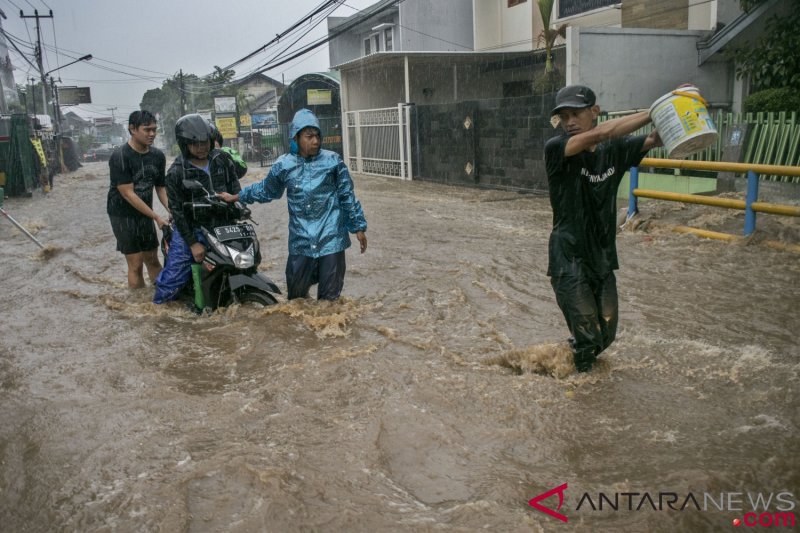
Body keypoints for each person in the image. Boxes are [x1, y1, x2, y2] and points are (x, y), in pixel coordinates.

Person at [544, 84, 663, 372]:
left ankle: (558, 363)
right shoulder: (559, 148)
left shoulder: (614, 150)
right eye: (564, 116)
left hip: (601, 256)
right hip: (568, 257)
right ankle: (581, 397)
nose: (569, 122)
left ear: (594, 112)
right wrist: (655, 110)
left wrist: (682, 110)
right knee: (588, 336)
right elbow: (601, 133)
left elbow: (654, 139)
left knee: (606, 335)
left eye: (576, 114)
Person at [218, 108, 367, 301]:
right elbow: (266, 190)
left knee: (330, 303)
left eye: (317, 136)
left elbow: (347, 195)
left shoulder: (333, 162)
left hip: (332, 239)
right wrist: (237, 197)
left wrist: (358, 227)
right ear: (295, 138)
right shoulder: (284, 165)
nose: (315, 141)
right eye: (309, 136)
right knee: (296, 300)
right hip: (301, 240)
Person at [153, 114, 243, 304]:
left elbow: (235, 188)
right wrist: (193, 243)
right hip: (192, 230)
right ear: (184, 144)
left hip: (224, 227)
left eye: (205, 142)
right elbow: (176, 211)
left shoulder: (223, 159)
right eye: (195, 144)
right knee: (172, 280)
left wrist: (240, 206)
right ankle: (160, 312)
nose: (201, 148)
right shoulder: (177, 172)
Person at [106, 110, 169, 288]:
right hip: (122, 214)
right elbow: (128, 194)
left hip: (145, 214)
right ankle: (138, 305)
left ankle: (162, 297)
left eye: (154, 130)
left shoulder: (157, 156)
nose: (152, 134)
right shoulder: (120, 156)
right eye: (147, 130)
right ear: (132, 129)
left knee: (152, 258)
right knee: (136, 263)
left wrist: (172, 210)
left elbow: (160, 187)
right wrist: (157, 217)